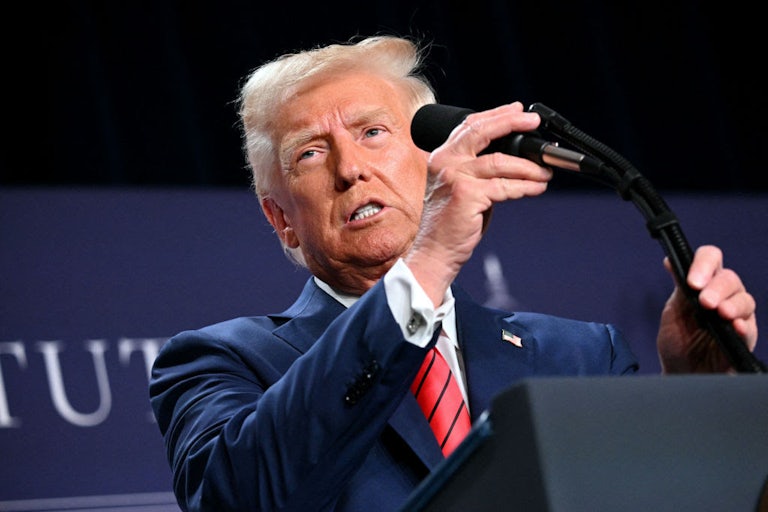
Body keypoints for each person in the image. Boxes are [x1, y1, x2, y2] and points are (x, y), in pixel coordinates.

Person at [148, 35, 759, 512]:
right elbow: (243, 499)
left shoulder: (578, 356)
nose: (350, 168)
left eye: (373, 132)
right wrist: (427, 263)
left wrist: (699, 400)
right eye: (310, 152)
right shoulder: (219, 362)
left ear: (431, 162)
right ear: (280, 217)